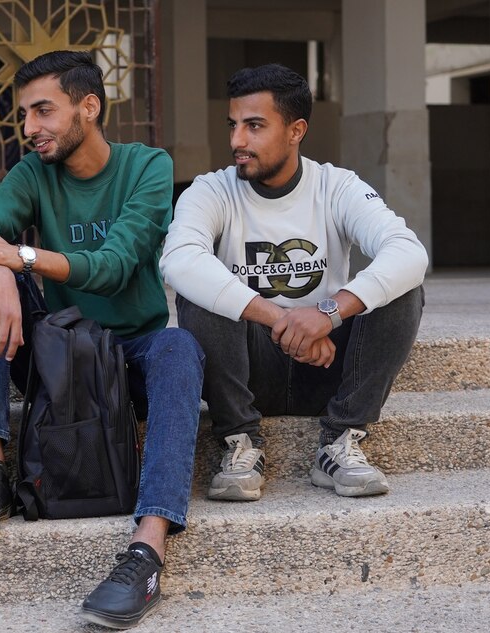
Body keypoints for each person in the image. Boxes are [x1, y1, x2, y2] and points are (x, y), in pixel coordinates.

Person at [0, 51, 204, 629]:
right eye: (24, 115)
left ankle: (148, 548)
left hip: (129, 356)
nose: (29, 128)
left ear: (88, 107)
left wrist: (25, 256)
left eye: (44, 111)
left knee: (180, 348)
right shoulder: (33, 173)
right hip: (60, 356)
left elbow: (115, 265)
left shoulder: (148, 166)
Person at [160, 64, 426, 503]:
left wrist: (328, 313)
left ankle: (339, 441)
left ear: (296, 130)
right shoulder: (210, 191)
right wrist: (287, 321)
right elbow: (178, 261)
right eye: (234, 125)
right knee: (200, 290)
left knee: (403, 288)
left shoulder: (337, 187)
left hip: (327, 366)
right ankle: (240, 442)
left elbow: (408, 251)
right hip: (250, 366)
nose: (237, 141)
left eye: (255, 126)